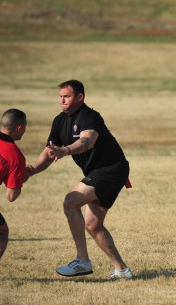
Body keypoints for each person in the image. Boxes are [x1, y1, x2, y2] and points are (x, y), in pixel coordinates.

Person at [26, 80, 133, 279]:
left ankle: (82, 261)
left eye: (66, 96)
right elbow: (50, 151)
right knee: (93, 225)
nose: (62, 100)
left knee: (70, 201)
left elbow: (87, 141)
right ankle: (122, 270)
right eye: (60, 97)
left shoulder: (90, 117)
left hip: (112, 169)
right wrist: (32, 170)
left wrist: (65, 150)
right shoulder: (60, 121)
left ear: (80, 97)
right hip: (101, 172)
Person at [0, 109, 28, 286]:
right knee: (1, 231)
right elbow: (11, 195)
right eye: (25, 127)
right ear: (18, 128)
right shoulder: (16, 157)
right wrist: (21, 178)